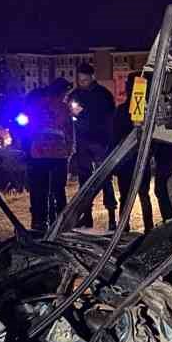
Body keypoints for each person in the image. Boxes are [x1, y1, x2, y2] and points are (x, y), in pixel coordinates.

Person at [68, 62, 116, 227]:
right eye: (80, 80)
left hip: (100, 141)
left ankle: (112, 217)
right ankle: (87, 216)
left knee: (104, 177)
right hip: (83, 142)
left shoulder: (103, 95)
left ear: (92, 77)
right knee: (84, 181)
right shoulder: (75, 94)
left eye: (85, 80)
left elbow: (110, 117)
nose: (82, 83)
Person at [23, 78, 72, 233]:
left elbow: (28, 128)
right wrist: (70, 150)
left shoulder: (36, 105)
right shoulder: (63, 108)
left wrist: (26, 148)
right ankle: (60, 222)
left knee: (39, 189)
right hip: (58, 154)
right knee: (58, 189)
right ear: (61, 92)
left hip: (38, 153)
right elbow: (69, 131)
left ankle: (39, 222)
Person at [112, 77, 155, 229]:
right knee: (140, 196)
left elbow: (114, 136)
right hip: (134, 160)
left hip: (130, 160)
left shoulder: (125, 110)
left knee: (130, 196)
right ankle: (143, 227)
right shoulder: (146, 111)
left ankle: (126, 228)